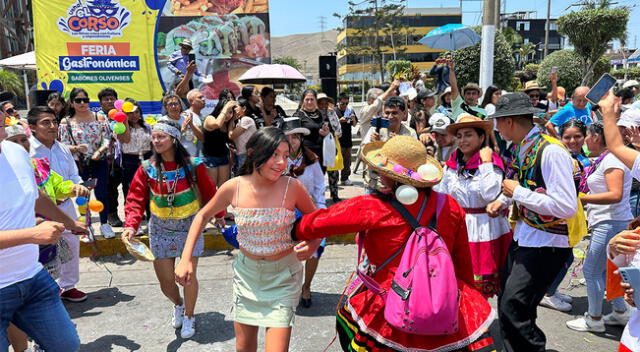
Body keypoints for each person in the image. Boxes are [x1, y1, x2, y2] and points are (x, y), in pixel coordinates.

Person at [290, 135, 496, 351]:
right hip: (445, 303)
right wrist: (467, 296)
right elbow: (463, 261)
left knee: (347, 319)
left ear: (391, 177)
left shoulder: (374, 206)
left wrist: (293, 230)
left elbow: (322, 222)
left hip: (392, 302)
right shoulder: (451, 206)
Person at [175, 127, 321, 352]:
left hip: (284, 277)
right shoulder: (234, 186)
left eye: (285, 155)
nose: (282, 162)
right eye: (275, 155)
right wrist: (185, 259)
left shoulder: (292, 187)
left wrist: (311, 244)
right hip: (247, 277)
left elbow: (317, 223)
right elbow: (202, 215)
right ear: (254, 153)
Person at [122, 119, 224, 339]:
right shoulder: (147, 168)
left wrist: (219, 215)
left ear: (174, 139)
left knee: (187, 276)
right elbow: (135, 199)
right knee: (166, 282)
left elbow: (210, 192)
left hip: (190, 227)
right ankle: (177, 304)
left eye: (161, 136)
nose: (156, 140)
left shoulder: (194, 165)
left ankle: (189, 315)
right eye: (154, 136)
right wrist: (131, 225)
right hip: (159, 229)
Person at [490, 93, 577, 352]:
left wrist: (516, 193)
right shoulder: (522, 148)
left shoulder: (551, 152)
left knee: (513, 307)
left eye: (499, 121)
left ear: (511, 121)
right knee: (510, 304)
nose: (496, 127)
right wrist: (504, 201)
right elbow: (519, 187)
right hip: (524, 237)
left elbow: (566, 206)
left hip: (547, 243)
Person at [0, 114, 87, 352]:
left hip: (32, 280)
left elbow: (36, 196)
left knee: (66, 346)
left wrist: (70, 223)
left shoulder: (15, 151)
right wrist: (31, 234)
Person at [565, 121, 633, 332]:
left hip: (610, 223)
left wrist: (583, 199)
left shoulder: (612, 159)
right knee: (606, 272)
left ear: (596, 137)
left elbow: (615, 194)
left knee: (591, 270)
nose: (583, 140)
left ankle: (593, 318)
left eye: (586, 135)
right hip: (609, 222)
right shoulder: (605, 159)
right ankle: (620, 312)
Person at [435, 114, 512, 298]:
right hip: (459, 226)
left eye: (468, 135)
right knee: (458, 280)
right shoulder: (452, 164)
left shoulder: (492, 163)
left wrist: (485, 163)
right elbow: (443, 194)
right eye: (459, 136)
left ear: (482, 137)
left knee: (481, 283)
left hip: (485, 227)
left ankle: (480, 321)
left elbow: (489, 194)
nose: (462, 140)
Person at [538, 119, 589, 312]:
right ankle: (548, 293)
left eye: (577, 136)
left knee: (565, 254)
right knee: (564, 256)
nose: (572, 140)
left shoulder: (582, 157)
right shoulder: (557, 156)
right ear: (560, 137)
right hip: (560, 213)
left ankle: (551, 290)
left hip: (574, 212)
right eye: (567, 137)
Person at [281, 117, 327, 308]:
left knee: (315, 250)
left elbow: (319, 187)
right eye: (288, 137)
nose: (292, 141)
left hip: (308, 211)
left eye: (295, 137)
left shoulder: (311, 159)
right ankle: (290, 286)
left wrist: (320, 210)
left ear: (301, 139)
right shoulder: (276, 159)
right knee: (285, 253)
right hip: (284, 213)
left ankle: (306, 286)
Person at [59, 88, 114, 238]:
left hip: (98, 161)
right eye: (78, 100)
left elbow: (107, 139)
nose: (82, 103)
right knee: (83, 195)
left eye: (85, 100)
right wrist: (77, 148)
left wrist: (99, 151)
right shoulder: (66, 122)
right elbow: (63, 145)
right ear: (72, 102)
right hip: (79, 165)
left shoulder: (99, 118)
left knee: (102, 193)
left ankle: (104, 224)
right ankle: (87, 225)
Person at [95, 87, 125, 229]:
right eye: (106, 99)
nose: (109, 101)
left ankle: (132, 212)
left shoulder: (122, 115)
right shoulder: (97, 117)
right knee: (109, 188)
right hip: (104, 159)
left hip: (121, 157)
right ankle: (111, 214)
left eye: (112, 98)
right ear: (100, 103)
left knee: (126, 185)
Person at [117, 98, 152, 201]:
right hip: (130, 161)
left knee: (148, 188)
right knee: (130, 188)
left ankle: (149, 214)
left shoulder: (146, 126)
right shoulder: (120, 127)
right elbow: (126, 140)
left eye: (136, 112)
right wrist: (125, 121)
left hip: (147, 159)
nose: (134, 115)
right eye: (130, 113)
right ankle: (133, 214)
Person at [293, 89, 331, 166]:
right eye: (307, 99)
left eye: (312, 99)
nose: (309, 102)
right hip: (306, 157)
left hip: (322, 155)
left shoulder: (322, 114)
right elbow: (293, 137)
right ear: (303, 101)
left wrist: (327, 132)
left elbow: (331, 130)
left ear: (316, 100)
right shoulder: (298, 116)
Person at [317, 93, 343, 202]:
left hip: (331, 145)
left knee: (334, 172)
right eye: (320, 103)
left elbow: (339, 132)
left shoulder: (332, 114)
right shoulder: (313, 115)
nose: (323, 106)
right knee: (318, 173)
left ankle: (334, 194)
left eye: (325, 103)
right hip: (318, 146)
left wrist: (332, 114)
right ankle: (319, 196)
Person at [160, 94, 204, 158]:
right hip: (175, 158)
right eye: (170, 104)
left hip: (192, 157)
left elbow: (201, 138)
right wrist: (182, 129)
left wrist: (191, 124)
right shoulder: (162, 121)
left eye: (176, 104)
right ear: (166, 107)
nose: (173, 106)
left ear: (180, 106)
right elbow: (166, 143)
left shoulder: (186, 118)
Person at [202, 99, 234, 187]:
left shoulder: (227, 123)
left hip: (224, 157)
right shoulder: (210, 118)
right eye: (226, 111)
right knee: (211, 188)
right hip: (210, 158)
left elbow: (229, 140)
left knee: (223, 187)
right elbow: (217, 124)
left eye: (231, 112)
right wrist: (226, 107)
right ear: (219, 110)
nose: (228, 115)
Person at [229, 97, 258, 173]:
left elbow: (231, 135)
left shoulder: (246, 120)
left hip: (245, 155)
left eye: (236, 107)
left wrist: (232, 120)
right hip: (241, 154)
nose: (234, 110)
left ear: (244, 108)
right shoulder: (240, 120)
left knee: (243, 178)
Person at [336, 93, 357, 186]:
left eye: (346, 103)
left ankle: (345, 179)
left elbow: (355, 124)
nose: (344, 105)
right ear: (338, 102)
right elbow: (330, 124)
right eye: (342, 103)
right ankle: (334, 180)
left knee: (347, 161)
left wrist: (353, 119)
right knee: (336, 161)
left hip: (348, 139)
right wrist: (339, 121)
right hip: (337, 140)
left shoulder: (350, 110)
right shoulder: (334, 111)